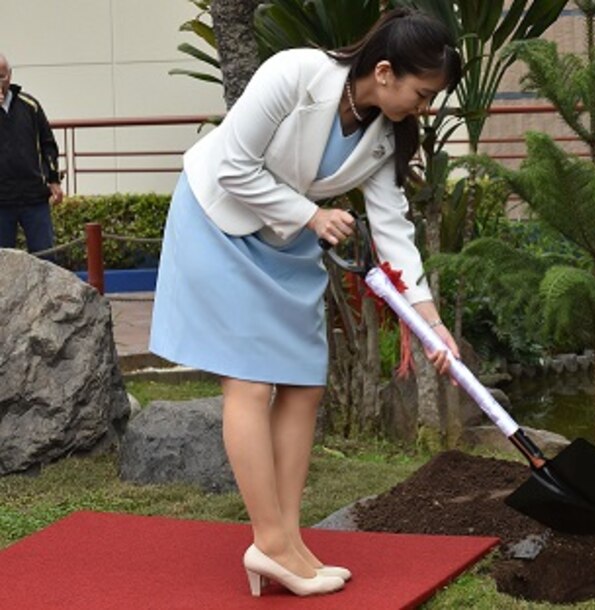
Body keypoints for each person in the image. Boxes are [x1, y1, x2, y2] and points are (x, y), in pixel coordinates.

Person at [149, 8, 462, 598]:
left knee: (302, 383)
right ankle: (268, 542)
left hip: (285, 236)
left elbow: (394, 232)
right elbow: (235, 166)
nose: (424, 109)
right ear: (387, 72)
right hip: (218, 218)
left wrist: (431, 324)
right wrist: (312, 215)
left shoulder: (384, 134)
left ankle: (287, 542)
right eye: (422, 95)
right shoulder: (293, 74)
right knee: (249, 385)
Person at [0, 53, 63, 254]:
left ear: (10, 75)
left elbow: (48, 144)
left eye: (1, 76)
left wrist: (53, 180)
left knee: (45, 257)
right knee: (3, 264)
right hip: (1, 200)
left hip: (33, 196)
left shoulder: (30, 106)